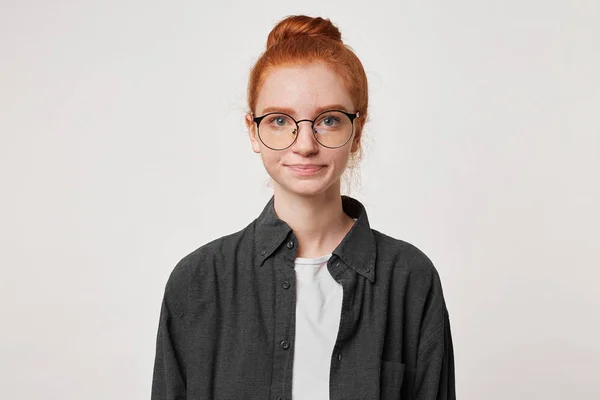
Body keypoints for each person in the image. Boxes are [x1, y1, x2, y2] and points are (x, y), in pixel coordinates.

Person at [151, 15, 455, 400]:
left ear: (356, 132)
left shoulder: (410, 279)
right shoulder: (197, 282)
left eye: (328, 120)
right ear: (253, 131)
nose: (305, 144)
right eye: (280, 120)